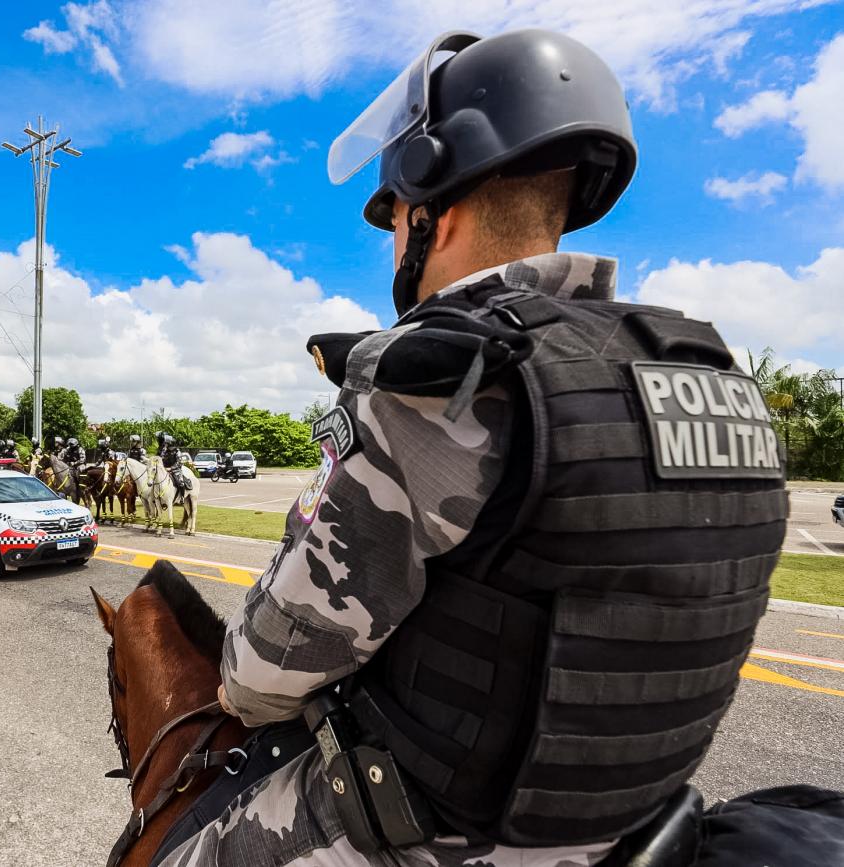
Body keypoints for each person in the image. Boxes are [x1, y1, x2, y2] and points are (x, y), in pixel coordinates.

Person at [157, 28, 786, 867]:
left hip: (450, 837)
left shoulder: (439, 380)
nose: (394, 240)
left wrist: (241, 670)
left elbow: (265, 674)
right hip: (638, 821)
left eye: (394, 218)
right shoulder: (713, 376)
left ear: (432, 210)